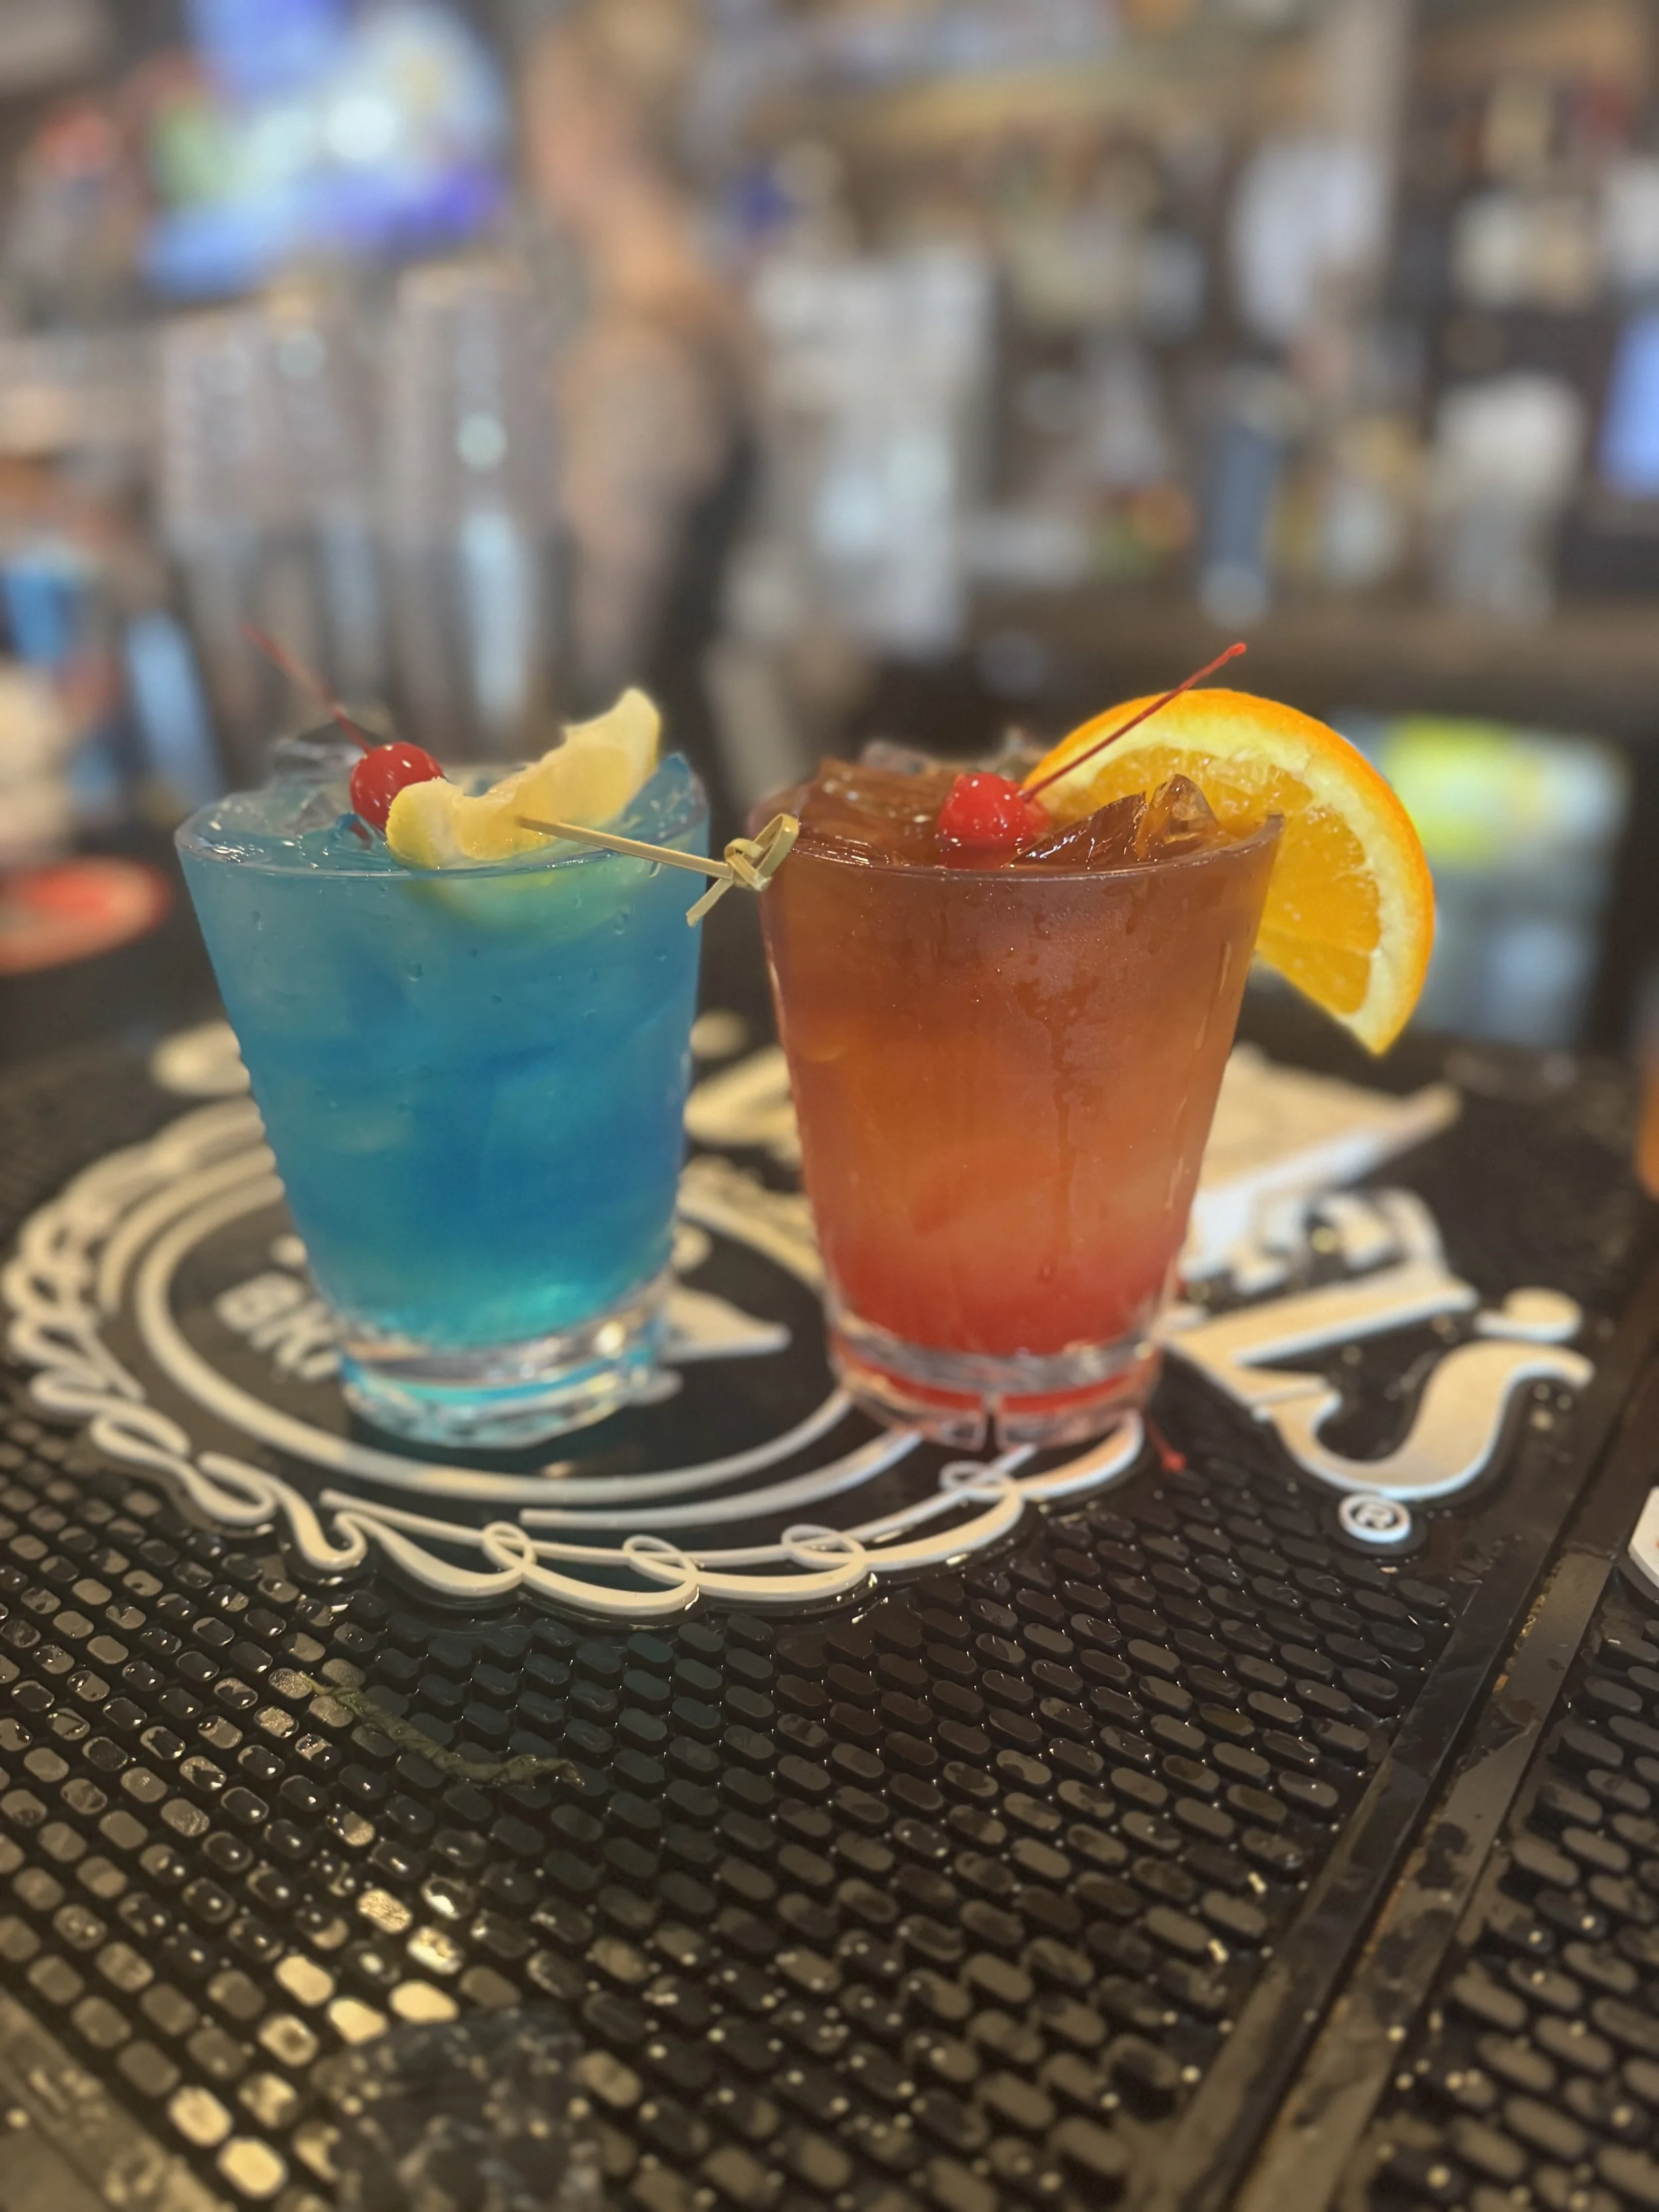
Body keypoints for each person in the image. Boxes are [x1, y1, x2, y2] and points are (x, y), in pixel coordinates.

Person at [523, 0, 755, 837]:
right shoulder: (715, 308)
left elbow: (593, 646)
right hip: (702, 761)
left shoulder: (638, 356)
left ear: (603, 127)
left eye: (541, 115)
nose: (530, 150)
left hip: (646, 806)